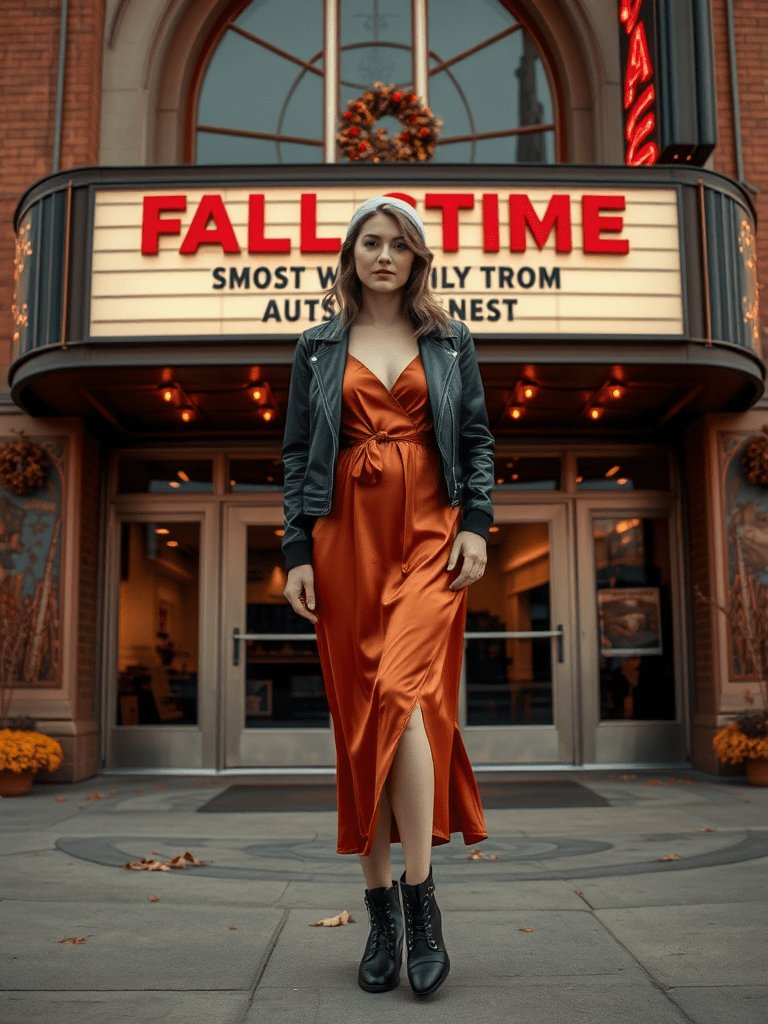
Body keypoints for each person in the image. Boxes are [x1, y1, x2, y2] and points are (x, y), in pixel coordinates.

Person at [281, 195, 495, 998]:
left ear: (416, 258)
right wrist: (297, 548)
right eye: (370, 242)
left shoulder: (450, 341)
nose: (382, 256)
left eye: (397, 245)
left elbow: (475, 438)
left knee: (405, 700)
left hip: (431, 532)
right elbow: (298, 453)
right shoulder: (313, 349)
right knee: (360, 717)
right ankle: (378, 911)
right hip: (343, 541)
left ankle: (421, 898)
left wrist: (477, 522)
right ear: (351, 254)